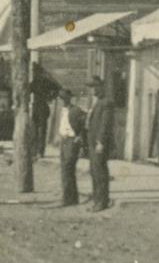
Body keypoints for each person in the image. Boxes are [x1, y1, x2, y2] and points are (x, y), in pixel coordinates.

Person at [49, 87, 88, 207]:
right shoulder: (61, 111)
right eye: (61, 98)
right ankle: (71, 197)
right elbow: (60, 125)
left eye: (65, 98)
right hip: (64, 141)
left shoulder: (76, 110)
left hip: (72, 141)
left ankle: (68, 198)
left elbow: (83, 125)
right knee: (65, 170)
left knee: (68, 168)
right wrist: (57, 137)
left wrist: (79, 137)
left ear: (69, 98)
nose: (63, 100)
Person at [85, 79, 117, 211]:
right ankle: (96, 200)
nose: (93, 90)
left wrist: (101, 142)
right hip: (92, 142)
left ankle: (102, 202)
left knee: (100, 172)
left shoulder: (106, 103)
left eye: (95, 87)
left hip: (99, 143)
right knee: (94, 171)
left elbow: (105, 124)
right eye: (91, 87)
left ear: (102, 87)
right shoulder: (95, 102)